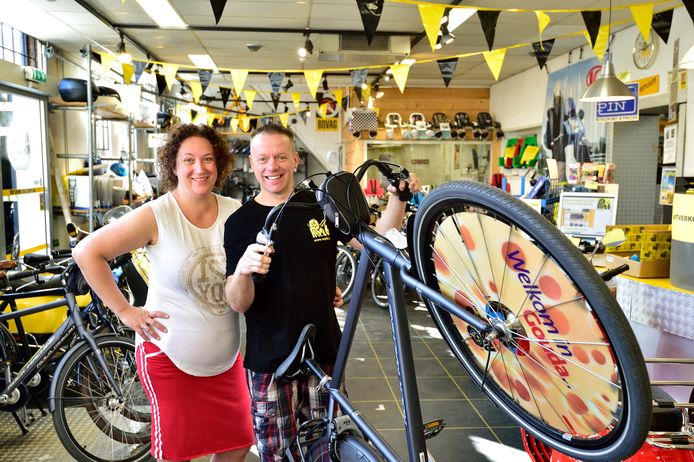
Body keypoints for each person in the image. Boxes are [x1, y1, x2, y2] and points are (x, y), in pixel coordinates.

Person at [224, 123, 420, 461]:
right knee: (279, 455)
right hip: (271, 361)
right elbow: (238, 302)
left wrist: (397, 199)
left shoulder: (320, 207)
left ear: (296, 159)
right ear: (253, 163)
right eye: (263, 158)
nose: (273, 166)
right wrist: (242, 269)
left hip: (326, 352)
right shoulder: (240, 222)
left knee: (330, 448)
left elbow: (375, 241)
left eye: (281, 156)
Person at [73, 123, 253, 462]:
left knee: (239, 440)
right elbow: (87, 252)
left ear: (220, 164)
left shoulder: (234, 211)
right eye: (189, 160)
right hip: (168, 355)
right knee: (176, 453)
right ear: (173, 166)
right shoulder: (157, 215)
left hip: (226, 359)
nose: (199, 168)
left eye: (208, 159)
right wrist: (125, 311)